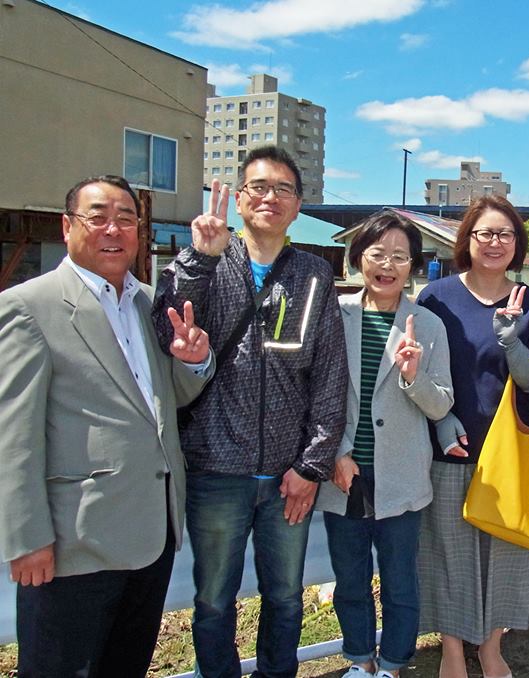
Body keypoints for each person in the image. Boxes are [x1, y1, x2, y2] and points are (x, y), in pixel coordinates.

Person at [0, 175, 212, 676]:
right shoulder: (30, 306)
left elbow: (166, 401)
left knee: (126, 664)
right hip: (74, 539)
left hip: (151, 531)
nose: (112, 229)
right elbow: (14, 435)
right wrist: (26, 537)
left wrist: (195, 362)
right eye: (98, 217)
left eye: (125, 219)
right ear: (68, 226)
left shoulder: (146, 301)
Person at [152, 145, 348, 677]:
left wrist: (311, 466)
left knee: (284, 597)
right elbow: (165, 325)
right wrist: (201, 258)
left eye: (284, 189)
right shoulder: (208, 258)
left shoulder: (312, 272)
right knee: (214, 599)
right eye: (259, 187)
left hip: (289, 472)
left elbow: (331, 375)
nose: (270, 197)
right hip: (216, 468)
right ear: (240, 198)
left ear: (299, 204)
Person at [417, 195, 529, 678]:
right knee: (447, 553)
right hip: (447, 449)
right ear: (467, 240)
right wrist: (438, 420)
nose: (495, 243)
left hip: (510, 454)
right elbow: (414, 372)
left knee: (505, 553)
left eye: (505, 235)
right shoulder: (436, 298)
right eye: (485, 233)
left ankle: (491, 647)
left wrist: (511, 340)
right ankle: (453, 649)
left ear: (517, 245)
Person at [315, 211, 453, 678]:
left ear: (413, 264)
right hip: (345, 474)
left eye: (399, 255)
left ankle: (393, 662)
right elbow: (318, 393)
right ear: (358, 260)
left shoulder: (429, 325)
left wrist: (414, 377)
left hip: (403, 476)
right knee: (350, 579)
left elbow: (440, 407)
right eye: (376, 253)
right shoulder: (336, 315)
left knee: (399, 580)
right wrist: (336, 452)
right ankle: (359, 659)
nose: (387, 265)